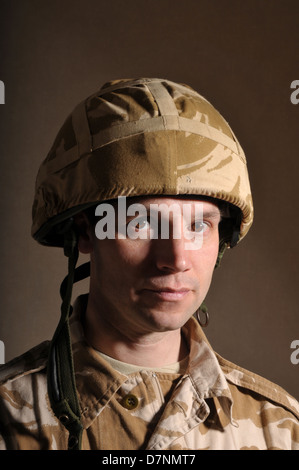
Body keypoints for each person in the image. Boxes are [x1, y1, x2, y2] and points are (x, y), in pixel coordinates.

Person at [0, 78, 298, 451]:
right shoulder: (8, 418)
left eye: (198, 225)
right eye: (140, 223)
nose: (175, 259)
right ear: (85, 232)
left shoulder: (279, 428)